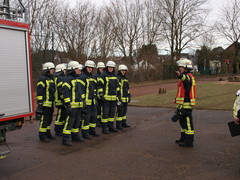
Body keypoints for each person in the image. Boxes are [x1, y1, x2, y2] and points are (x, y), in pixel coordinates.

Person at [62, 61, 85, 146]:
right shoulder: (67, 79)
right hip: (72, 105)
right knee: (69, 122)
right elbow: (66, 93)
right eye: (77, 69)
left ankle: (75, 136)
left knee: (77, 122)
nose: (80, 70)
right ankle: (66, 138)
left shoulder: (77, 79)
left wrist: (83, 102)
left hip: (78, 105)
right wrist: (68, 104)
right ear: (72, 69)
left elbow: (80, 92)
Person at [174, 58, 196, 147]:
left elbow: (185, 79)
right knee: (182, 122)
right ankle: (183, 138)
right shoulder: (187, 76)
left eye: (181, 67)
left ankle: (189, 141)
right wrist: (176, 99)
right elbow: (183, 91)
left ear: (186, 68)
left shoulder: (188, 76)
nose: (180, 69)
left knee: (187, 123)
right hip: (183, 103)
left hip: (187, 104)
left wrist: (180, 75)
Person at [98, 60, 120, 134]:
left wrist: (118, 93)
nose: (111, 68)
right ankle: (104, 129)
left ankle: (111, 127)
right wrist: (101, 95)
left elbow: (117, 86)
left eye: (112, 67)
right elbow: (100, 86)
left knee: (111, 114)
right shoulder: (103, 75)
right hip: (106, 99)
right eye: (109, 67)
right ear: (107, 67)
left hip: (113, 98)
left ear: (114, 68)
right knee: (105, 114)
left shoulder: (115, 75)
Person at [79, 60, 100, 139]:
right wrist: (83, 100)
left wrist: (95, 98)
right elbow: (81, 90)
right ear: (85, 67)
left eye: (91, 68)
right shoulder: (82, 77)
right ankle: (85, 133)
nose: (90, 69)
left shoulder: (91, 76)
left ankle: (92, 131)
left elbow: (94, 89)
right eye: (89, 67)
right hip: (86, 102)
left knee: (94, 116)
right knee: (86, 118)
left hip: (92, 101)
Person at [36, 62, 56, 142]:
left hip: (50, 103)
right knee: (44, 120)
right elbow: (39, 91)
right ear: (47, 70)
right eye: (51, 69)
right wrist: (40, 103)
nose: (53, 70)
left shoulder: (51, 78)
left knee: (49, 120)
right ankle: (42, 135)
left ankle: (48, 133)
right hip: (45, 104)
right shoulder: (42, 79)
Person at [116, 64, 131, 130]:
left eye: (124, 70)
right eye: (122, 70)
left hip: (125, 98)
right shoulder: (118, 78)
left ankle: (123, 123)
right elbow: (117, 89)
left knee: (124, 111)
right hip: (120, 98)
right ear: (119, 71)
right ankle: (118, 125)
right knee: (120, 112)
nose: (123, 72)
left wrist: (129, 95)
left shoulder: (125, 79)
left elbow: (127, 89)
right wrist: (119, 98)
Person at [54, 64, 67, 136]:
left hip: (59, 100)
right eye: (64, 70)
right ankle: (58, 130)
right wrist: (64, 98)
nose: (65, 71)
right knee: (60, 116)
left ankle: (59, 129)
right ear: (61, 70)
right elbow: (61, 89)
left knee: (61, 115)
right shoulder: (60, 78)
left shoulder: (56, 77)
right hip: (60, 101)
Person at [93, 62, 105, 127]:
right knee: (97, 108)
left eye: (103, 68)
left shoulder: (104, 75)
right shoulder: (95, 76)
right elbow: (95, 86)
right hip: (97, 95)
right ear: (98, 68)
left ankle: (100, 120)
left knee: (101, 108)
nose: (102, 69)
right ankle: (97, 121)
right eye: (100, 68)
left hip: (102, 95)